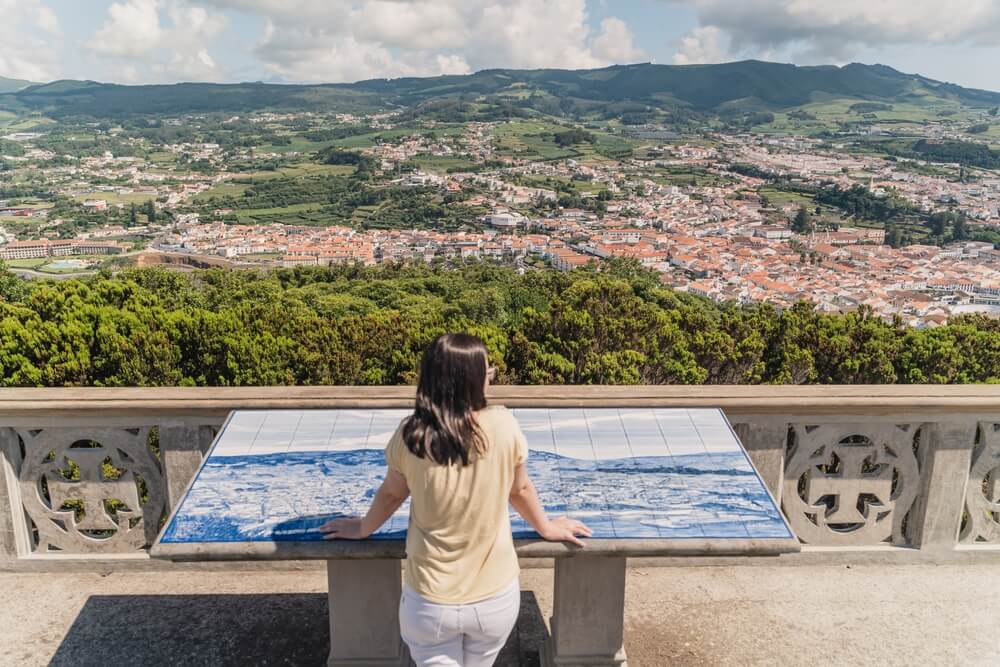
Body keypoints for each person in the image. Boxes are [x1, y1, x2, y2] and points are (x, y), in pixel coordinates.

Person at [320, 332, 591, 666]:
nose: (491, 376)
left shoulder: (413, 434)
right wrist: (547, 527)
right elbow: (519, 490)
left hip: (430, 601)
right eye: (488, 370)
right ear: (475, 379)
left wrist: (364, 527)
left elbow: (392, 494)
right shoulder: (504, 426)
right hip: (494, 597)